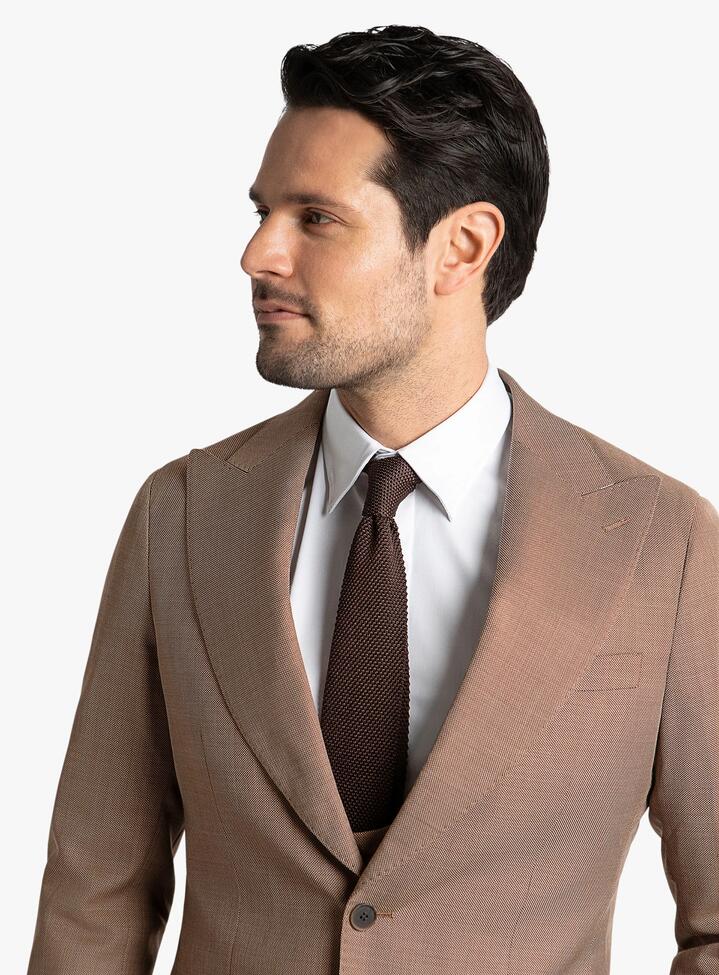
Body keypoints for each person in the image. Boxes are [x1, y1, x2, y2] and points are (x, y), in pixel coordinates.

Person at [27, 24, 718, 975]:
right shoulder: (179, 517)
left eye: (314, 218)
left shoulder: (659, 543)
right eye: (263, 211)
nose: (257, 254)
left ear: (461, 247)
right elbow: (91, 903)